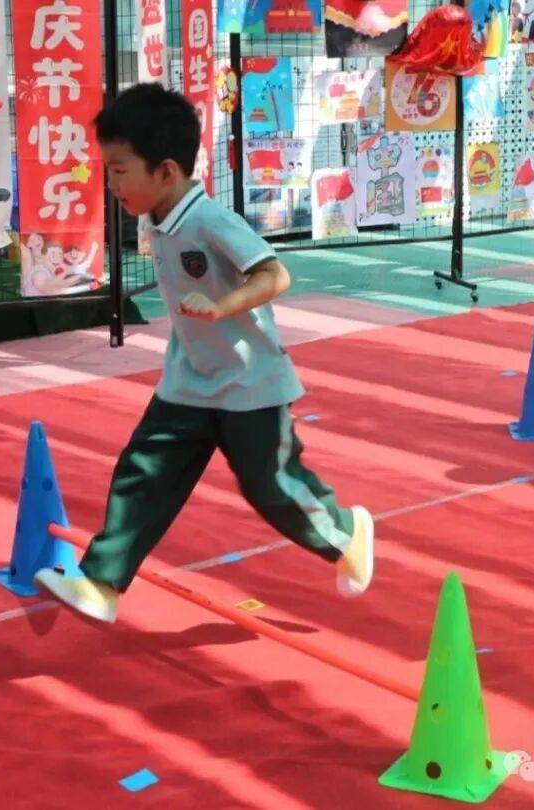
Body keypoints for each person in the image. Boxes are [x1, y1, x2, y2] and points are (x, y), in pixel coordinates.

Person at [35, 83, 375, 622]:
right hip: (189, 380)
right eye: (108, 170)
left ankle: (347, 533)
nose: (111, 183)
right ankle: (100, 585)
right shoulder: (157, 216)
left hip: (249, 383)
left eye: (119, 170)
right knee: (143, 473)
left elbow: (275, 275)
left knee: (272, 488)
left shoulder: (210, 220)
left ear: (166, 172)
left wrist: (222, 307)